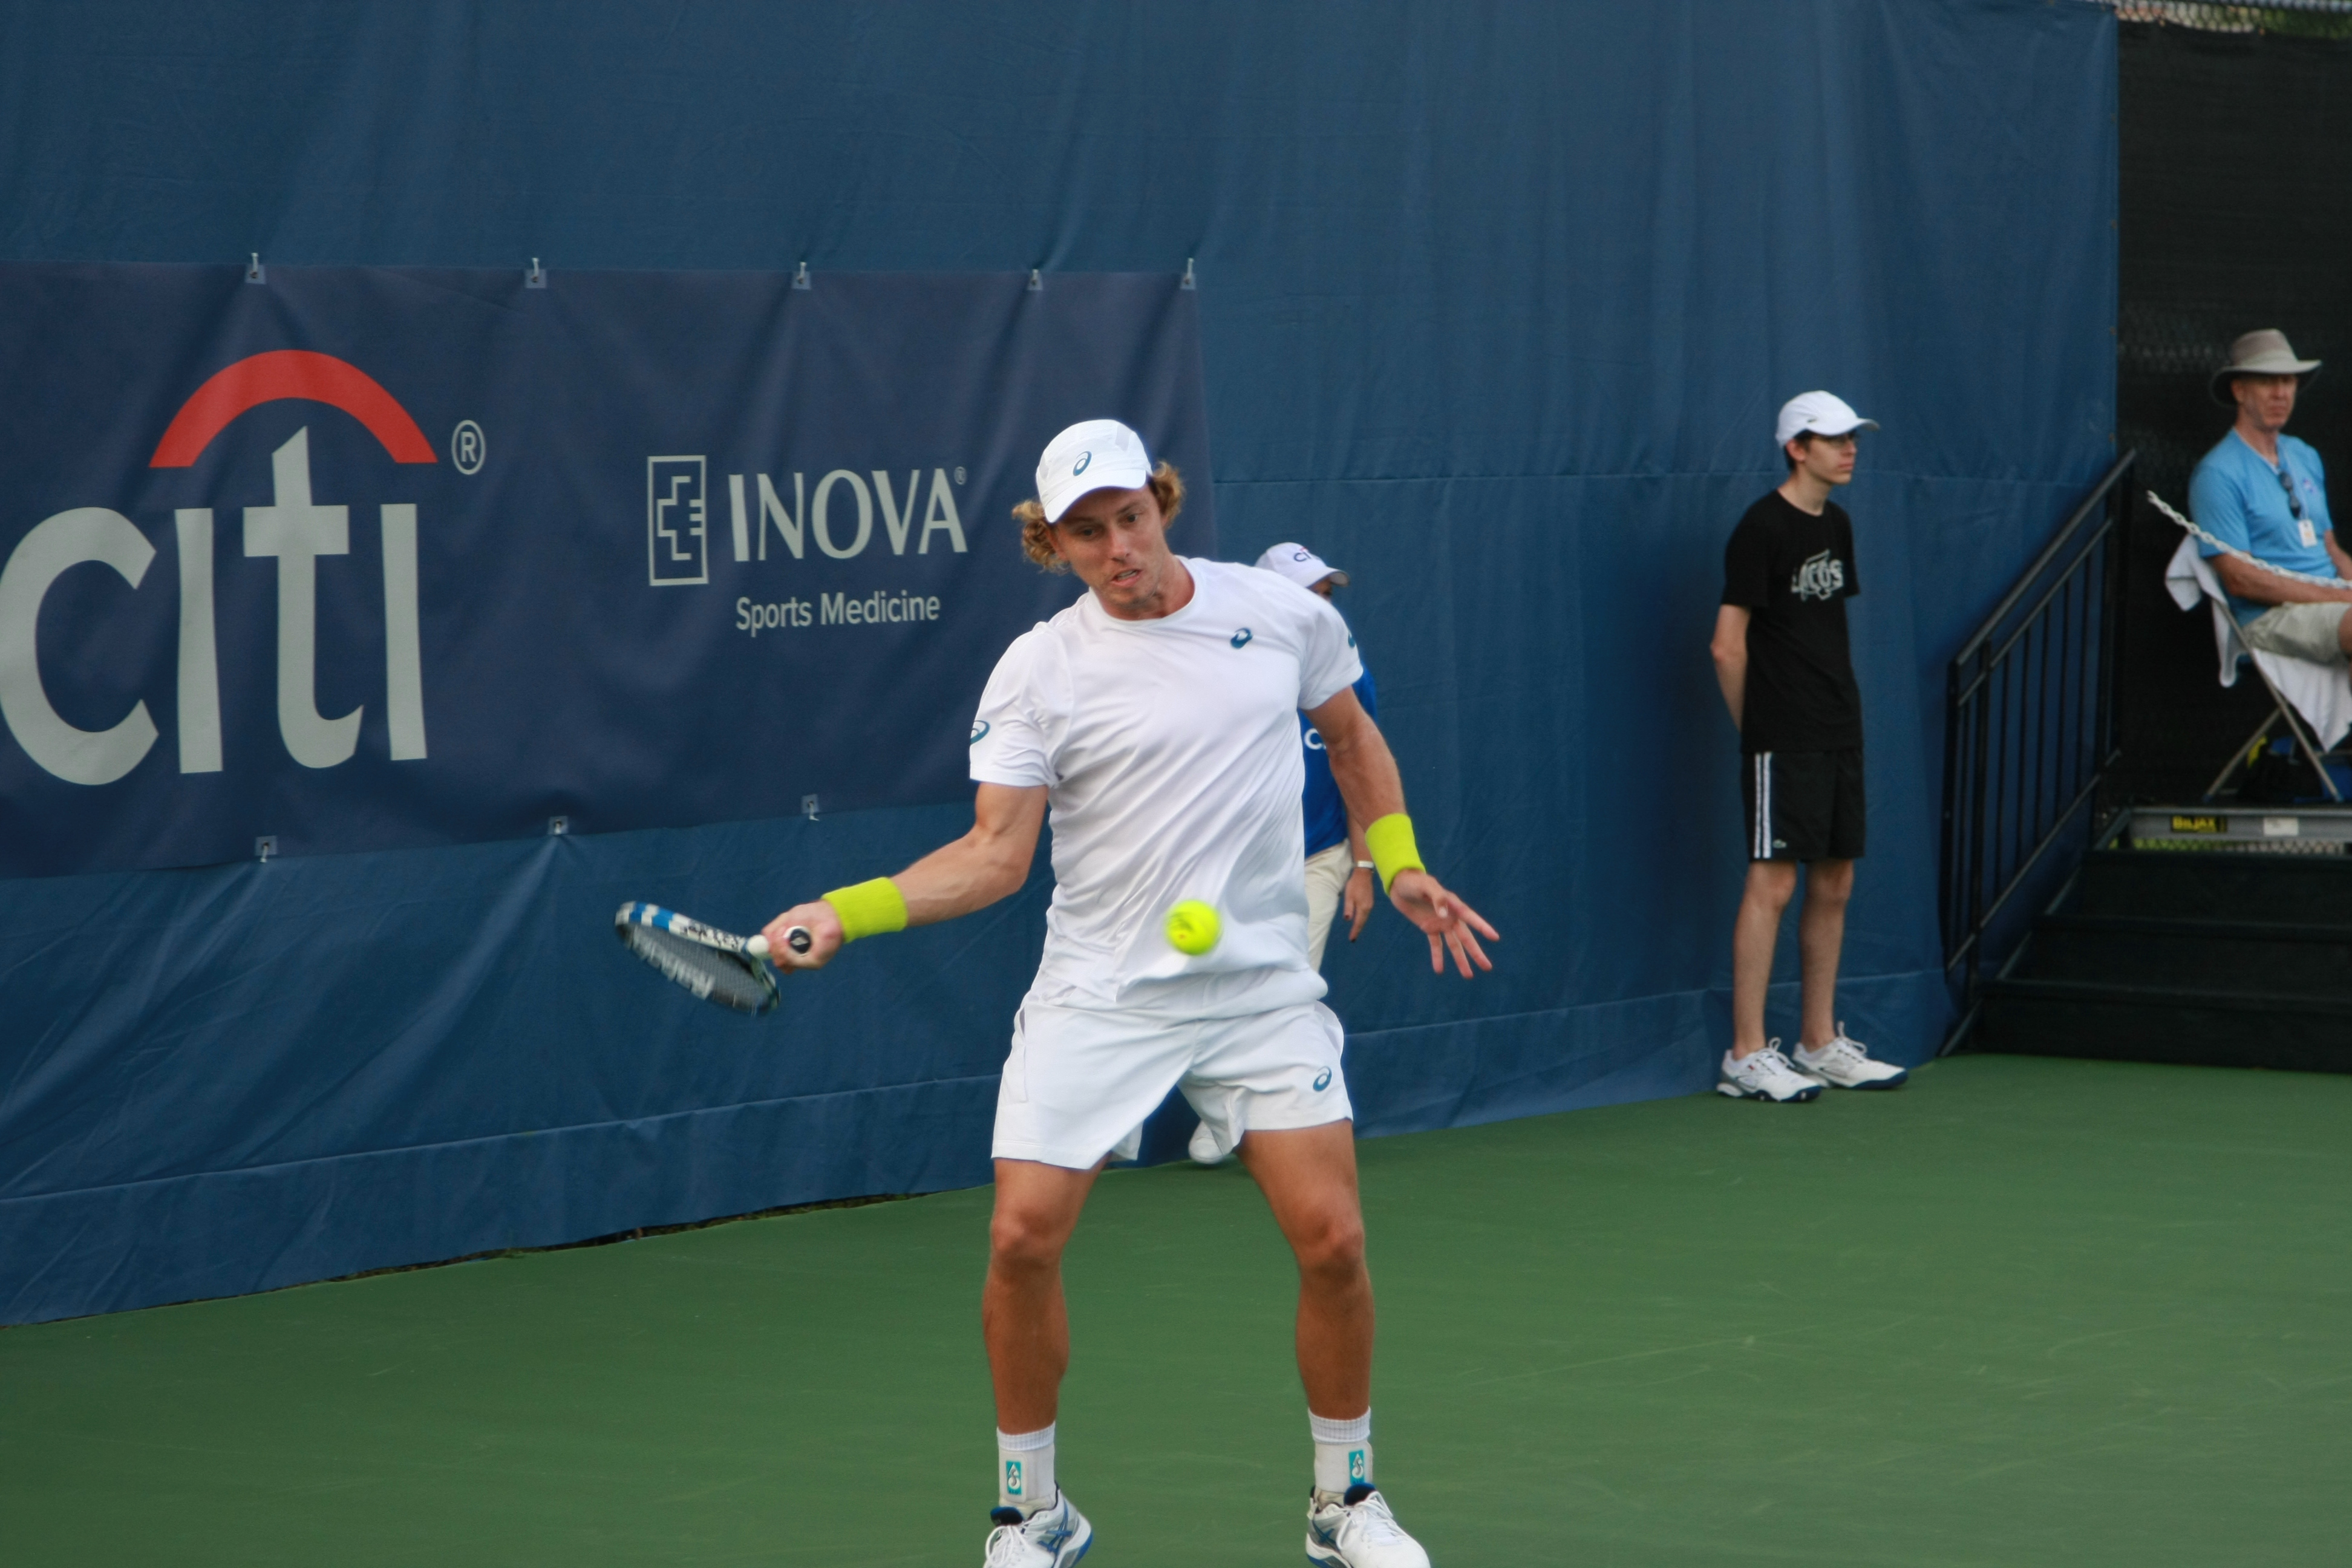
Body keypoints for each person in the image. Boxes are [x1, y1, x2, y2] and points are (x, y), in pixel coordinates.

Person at [758, 419, 1497, 1568]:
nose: (1116, 548)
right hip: (1100, 992)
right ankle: (1032, 1511)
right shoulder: (1039, 668)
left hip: (1256, 986)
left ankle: (1343, 1499)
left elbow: (1351, 741)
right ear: (1052, 545)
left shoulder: (1282, 614)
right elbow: (994, 855)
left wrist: (1392, 860)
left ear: (1163, 503)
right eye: (1084, 534)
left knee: (1333, 1239)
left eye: (1129, 519)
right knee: (1019, 1237)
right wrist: (845, 911)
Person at [1708, 391, 1909, 1103]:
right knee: (1774, 884)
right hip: (1781, 734)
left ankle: (1819, 1042)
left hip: (1838, 728)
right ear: (1798, 448)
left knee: (1834, 882)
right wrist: (1757, 728)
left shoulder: (1840, 524)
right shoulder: (1759, 528)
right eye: (1833, 438)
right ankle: (1746, 1054)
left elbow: (1821, 631)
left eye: (1854, 436)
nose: (1849, 448)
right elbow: (1727, 648)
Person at [1187, 543, 1379, 1167]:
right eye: (1308, 594)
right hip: (1237, 864)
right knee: (1197, 994)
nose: (1322, 607)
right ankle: (1222, 1107)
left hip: (1319, 861)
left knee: (1288, 995)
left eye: (1327, 594)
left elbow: (1358, 769)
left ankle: (1306, 1123)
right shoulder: (1229, 672)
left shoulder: (1348, 677)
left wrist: (1365, 868)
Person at [2189, 330, 2350, 658]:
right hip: (2268, 618)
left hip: (2336, 605)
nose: (2280, 393)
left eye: (2288, 382)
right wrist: (2340, 597)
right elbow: (2241, 580)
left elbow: (2330, 546)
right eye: (2267, 382)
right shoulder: (2217, 473)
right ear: (2240, 391)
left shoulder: (2304, 455)